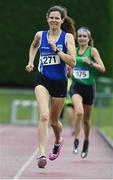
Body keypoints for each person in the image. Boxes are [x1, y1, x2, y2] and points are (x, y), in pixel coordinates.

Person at [25, 5, 76, 168]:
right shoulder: (40, 35)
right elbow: (34, 46)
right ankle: (41, 154)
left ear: (62, 20)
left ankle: (58, 140)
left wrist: (57, 51)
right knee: (44, 116)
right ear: (47, 19)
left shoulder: (67, 37)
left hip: (60, 82)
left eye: (57, 18)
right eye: (51, 17)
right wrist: (31, 62)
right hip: (43, 80)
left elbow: (72, 62)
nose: (54, 20)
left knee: (54, 121)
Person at [70, 27, 106, 158]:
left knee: (86, 120)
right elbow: (68, 66)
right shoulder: (73, 50)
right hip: (76, 86)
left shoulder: (92, 51)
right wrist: (68, 69)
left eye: (84, 36)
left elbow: (102, 68)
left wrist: (90, 62)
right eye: (80, 36)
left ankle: (86, 141)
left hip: (89, 88)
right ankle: (76, 139)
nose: (82, 38)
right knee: (79, 112)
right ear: (77, 38)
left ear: (89, 39)